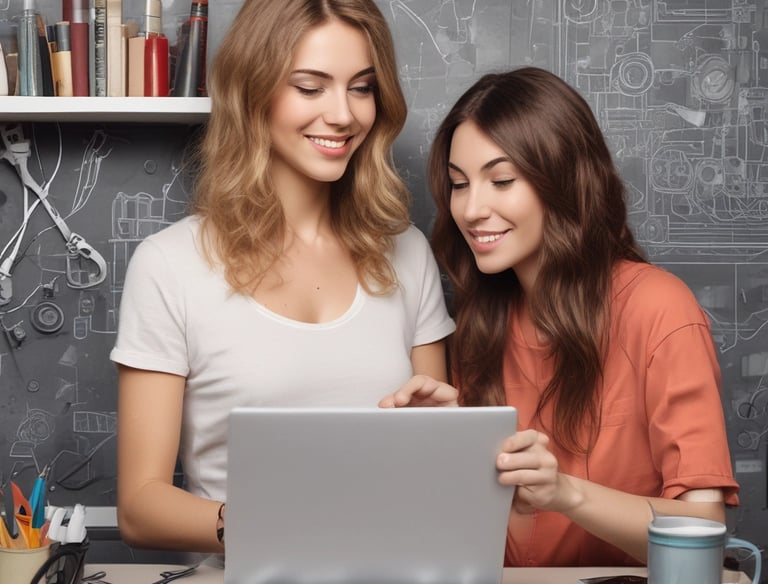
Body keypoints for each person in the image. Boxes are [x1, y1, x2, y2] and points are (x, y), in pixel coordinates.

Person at [110, 0, 455, 557]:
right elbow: (140, 507)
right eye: (310, 87)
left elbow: (438, 468)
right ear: (253, 93)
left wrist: (445, 443)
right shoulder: (169, 265)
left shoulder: (408, 253)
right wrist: (276, 524)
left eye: (362, 88)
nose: (343, 114)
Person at [381, 67, 739, 566]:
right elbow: (482, 538)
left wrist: (566, 493)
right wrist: (443, 446)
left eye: (501, 180)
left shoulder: (659, 309)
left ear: (564, 181)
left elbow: (703, 531)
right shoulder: (481, 324)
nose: (471, 209)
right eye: (459, 184)